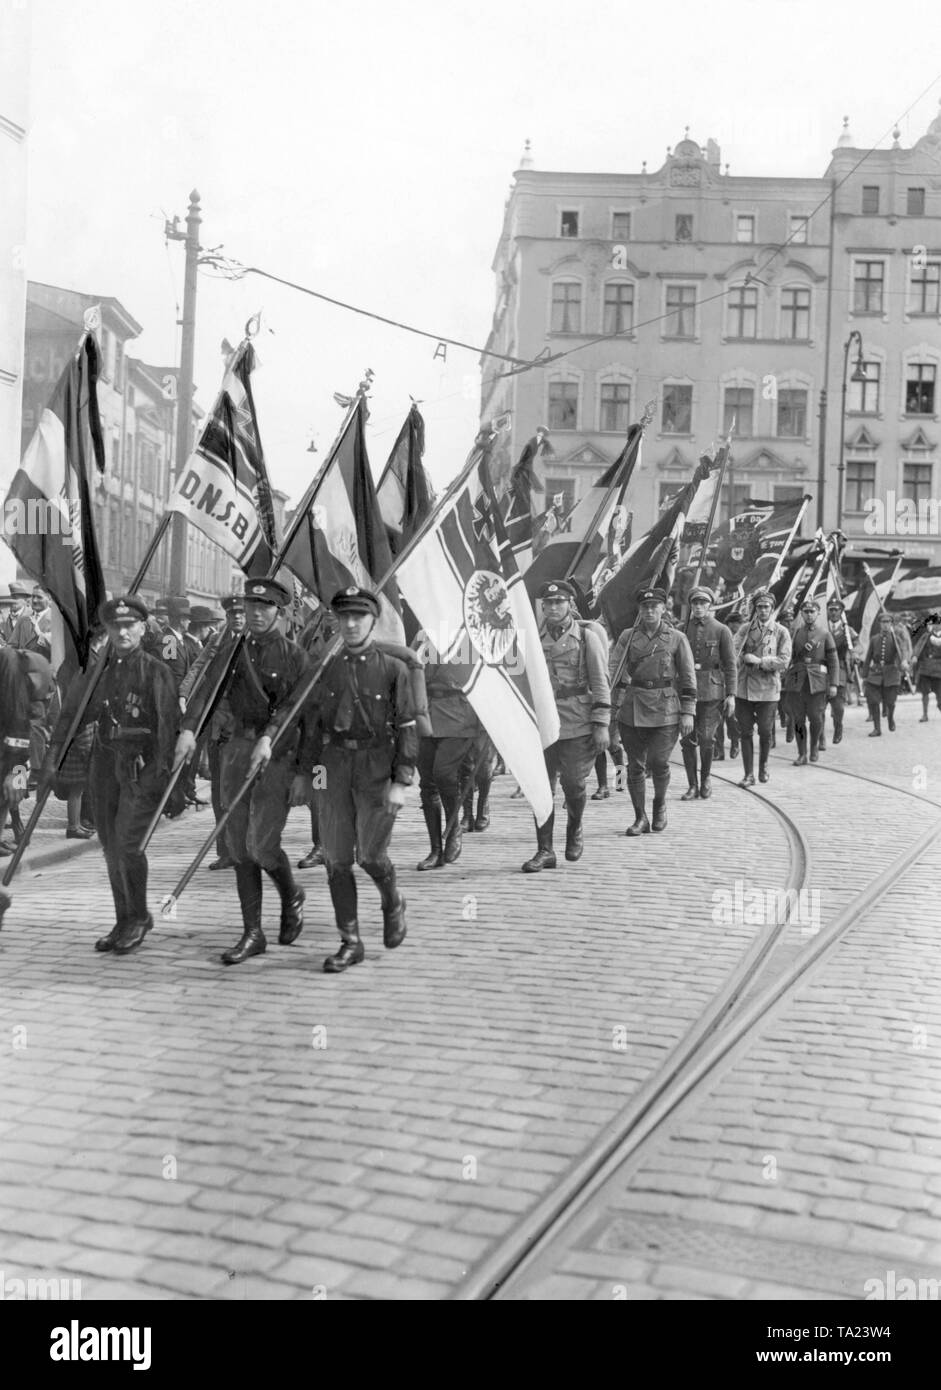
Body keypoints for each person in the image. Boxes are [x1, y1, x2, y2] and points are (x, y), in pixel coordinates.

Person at [174, 578, 309, 965]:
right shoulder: (232, 651)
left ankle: (291, 894)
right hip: (235, 751)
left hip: (277, 754)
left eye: (264, 607)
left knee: (261, 845)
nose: (255, 613)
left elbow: (294, 709)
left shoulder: (295, 658)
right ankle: (253, 932)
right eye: (250, 606)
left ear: (279, 612)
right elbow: (207, 691)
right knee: (236, 846)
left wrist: (269, 738)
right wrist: (188, 729)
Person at [43, 596, 179, 954]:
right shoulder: (99, 671)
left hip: (140, 769)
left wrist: (160, 779)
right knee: (109, 847)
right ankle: (123, 918)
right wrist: (53, 756)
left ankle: (139, 917)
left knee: (129, 846)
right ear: (108, 631)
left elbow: (167, 731)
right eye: (116, 626)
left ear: (143, 628)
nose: (122, 632)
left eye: (130, 625)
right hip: (103, 767)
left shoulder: (156, 671)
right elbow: (73, 715)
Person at [294, 586, 417, 974]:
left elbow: (408, 728)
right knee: (335, 859)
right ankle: (350, 941)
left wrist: (401, 780)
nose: (349, 624)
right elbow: (311, 729)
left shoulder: (393, 669)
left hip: (377, 767)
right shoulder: (323, 669)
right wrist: (307, 778)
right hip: (331, 767)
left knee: (371, 856)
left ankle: (392, 900)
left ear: (372, 621)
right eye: (343, 617)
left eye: (358, 617)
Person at [522, 580, 610, 872]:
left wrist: (601, 724)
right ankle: (544, 849)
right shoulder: (533, 638)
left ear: (570, 604)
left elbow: (600, 683)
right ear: (543, 607)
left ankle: (575, 827)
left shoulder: (587, 637)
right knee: (541, 787)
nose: (554, 608)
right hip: (542, 723)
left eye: (559, 602)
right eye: (548, 604)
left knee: (573, 782)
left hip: (576, 721)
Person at [609, 585, 696, 834]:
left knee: (659, 761)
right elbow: (613, 670)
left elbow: (689, 678)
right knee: (634, 766)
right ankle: (640, 817)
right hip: (633, 705)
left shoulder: (677, 638)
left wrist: (688, 711)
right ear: (639, 609)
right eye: (645, 606)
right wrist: (606, 704)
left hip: (665, 707)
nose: (649, 610)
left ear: (663, 607)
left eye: (654, 606)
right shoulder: (628, 637)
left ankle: (659, 804)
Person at [418, 661, 481, 869]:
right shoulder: (421, 638)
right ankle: (435, 850)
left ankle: (454, 827)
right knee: (427, 784)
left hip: (459, 713)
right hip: (424, 713)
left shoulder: (467, 637)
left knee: (443, 773)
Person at [679, 586, 737, 800]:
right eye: (695, 603)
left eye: (703, 603)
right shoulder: (681, 629)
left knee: (706, 739)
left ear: (710, 605)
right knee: (687, 740)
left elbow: (730, 665)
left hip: (712, 691)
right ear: (691, 605)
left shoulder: (721, 630)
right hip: (686, 691)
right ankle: (692, 785)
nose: (699, 607)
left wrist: (731, 694)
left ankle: (705, 780)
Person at [295, 600, 338, 870]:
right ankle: (321, 844)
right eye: (327, 608)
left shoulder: (357, 639)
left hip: (348, 726)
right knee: (319, 788)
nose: (330, 614)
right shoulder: (312, 634)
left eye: (336, 609)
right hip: (317, 726)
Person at [733, 589, 791, 787]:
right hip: (744, 689)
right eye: (759, 607)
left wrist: (760, 661)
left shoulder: (781, 632)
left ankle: (763, 766)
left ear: (772, 608)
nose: (763, 610)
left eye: (766, 607)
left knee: (765, 732)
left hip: (768, 690)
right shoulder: (744, 630)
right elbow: (733, 653)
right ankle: (748, 774)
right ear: (755, 609)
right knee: (745, 732)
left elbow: (784, 661)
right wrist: (742, 658)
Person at [781, 597, 838, 765]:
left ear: (818, 613)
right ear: (802, 614)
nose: (809, 615)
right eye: (806, 612)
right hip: (797, 682)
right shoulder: (795, 633)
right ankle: (801, 754)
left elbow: (833, 661)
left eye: (812, 612)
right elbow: (787, 656)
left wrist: (833, 684)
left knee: (815, 718)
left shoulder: (825, 634)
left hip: (817, 683)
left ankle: (813, 747)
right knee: (798, 719)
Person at [862, 613, 909, 736]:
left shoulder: (896, 638)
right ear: (880, 624)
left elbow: (903, 650)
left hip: (891, 673)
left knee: (890, 702)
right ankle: (877, 729)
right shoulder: (874, 639)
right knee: (873, 701)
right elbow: (868, 657)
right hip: (876, 673)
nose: (886, 624)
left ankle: (890, 718)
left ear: (891, 624)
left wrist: (904, 660)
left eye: (888, 622)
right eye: (883, 622)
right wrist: (864, 673)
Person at [824, 597, 858, 745]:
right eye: (830, 609)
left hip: (841, 669)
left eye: (836, 609)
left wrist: (854, 654)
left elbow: (858, 647)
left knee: (838, 706)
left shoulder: (848, 631)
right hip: (822, 670)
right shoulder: (822, 628)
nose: (833, 612)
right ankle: (820, 737)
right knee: (818, 708)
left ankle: (838, 728)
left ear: (841, 612)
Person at [713, 609, 743, 762]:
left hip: (733, 681)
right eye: (734, 623)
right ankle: (719, 750)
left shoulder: (742, 639)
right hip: (717, 680)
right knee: (717, 718)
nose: (736, 626)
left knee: (731, 717)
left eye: (738, 623)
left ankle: (735, 742)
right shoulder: (721, 635)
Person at [914, 614, 941, 721]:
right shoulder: (926, 636)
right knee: (924, 693)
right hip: (925, 668)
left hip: (939, 670)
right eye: (935, 624)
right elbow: (918, 646)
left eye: (938, 624)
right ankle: (925, 714)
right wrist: (915, 656)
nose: (936, 626)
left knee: (940, 694)